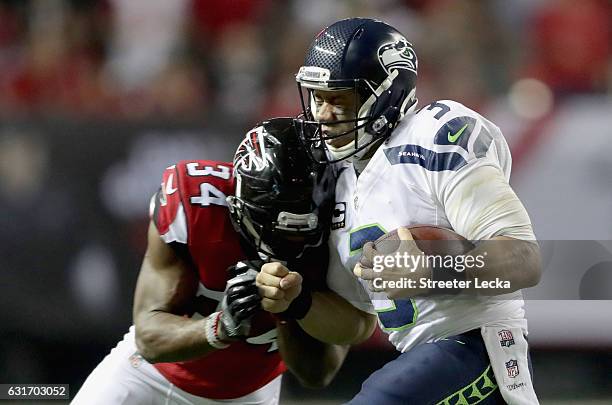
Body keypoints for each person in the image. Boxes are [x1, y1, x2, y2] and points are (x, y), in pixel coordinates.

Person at [260, 18, 542, 404]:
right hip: (421, 360)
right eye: (317, 97)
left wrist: (433, 271)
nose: (323, 114)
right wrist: (298, 302)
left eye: (339, 99)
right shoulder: (337, 180)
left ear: (386, 95)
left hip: (479, 347)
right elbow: (356, 323)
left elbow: (524, 261)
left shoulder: (433, 137)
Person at [72, 118, 356, 405]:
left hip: (247, 395)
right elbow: (149, 334)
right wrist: (220, 326)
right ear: (237, 203)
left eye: (302, 231)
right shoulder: (196, 205)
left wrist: (290, 306)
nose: (288, 242)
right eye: (275, 226)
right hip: (147, 377)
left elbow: (318, 373)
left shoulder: (343, 231)